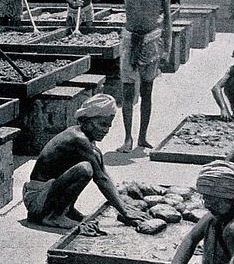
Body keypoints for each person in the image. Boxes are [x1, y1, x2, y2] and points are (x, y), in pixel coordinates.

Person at [23, 94, 150, 229]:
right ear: (87, 120)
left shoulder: (88, 141)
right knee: (85, 169)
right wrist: (124, 212)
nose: (106, 130)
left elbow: (104, 175)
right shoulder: (77, 138)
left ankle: (68, 210)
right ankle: (54, 216)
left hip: (47, 194)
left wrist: (123, 205)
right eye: (102, 124)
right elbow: (100, 179)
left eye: (108, 126)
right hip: (37, 200)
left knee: (93, 160)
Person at [98, 0, 172, 152]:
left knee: (147, 91)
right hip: (131, 41)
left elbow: (168, 17)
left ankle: (142, 137)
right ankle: (128, 138)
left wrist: (167, 47)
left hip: (152, 41)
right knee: (128, 93)